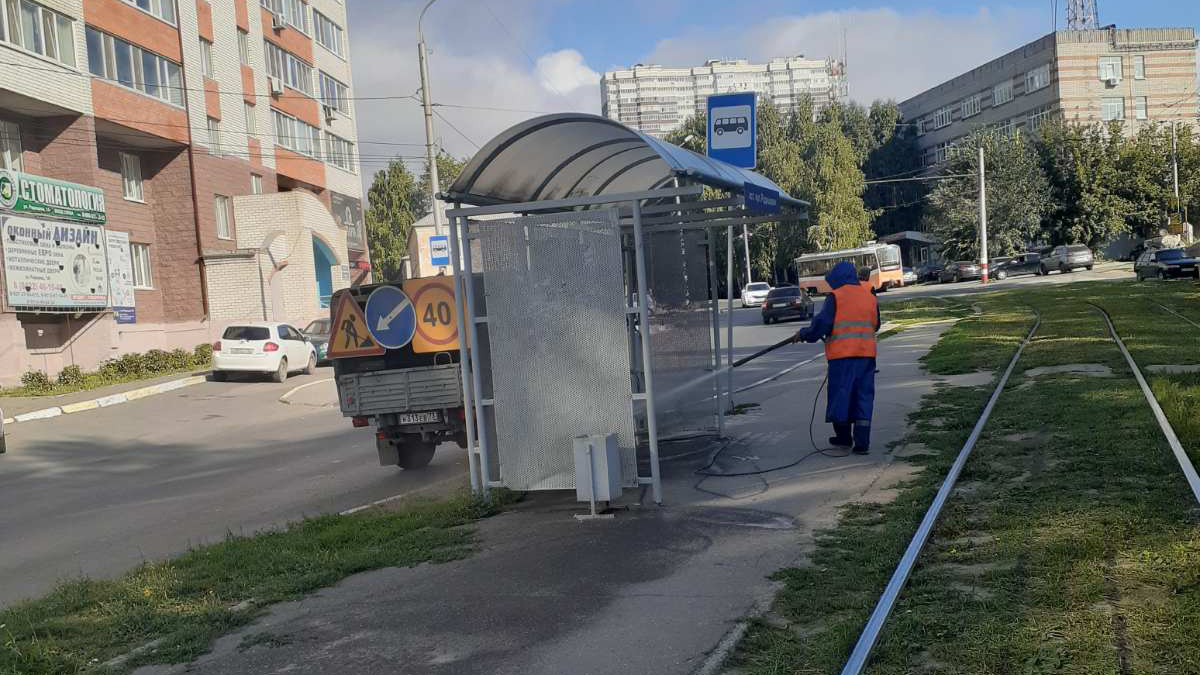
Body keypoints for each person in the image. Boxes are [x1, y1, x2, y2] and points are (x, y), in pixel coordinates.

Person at [793, 261, 881, 455]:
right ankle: (862, 443)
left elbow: (822, 325)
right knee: (863, 397)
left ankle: (843, 438)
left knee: (842, 396)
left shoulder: (836, 297)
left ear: (838, 278)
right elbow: (876, 325)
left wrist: (804, 334)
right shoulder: (869, 297)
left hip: (843, 358)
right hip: (866, 357)